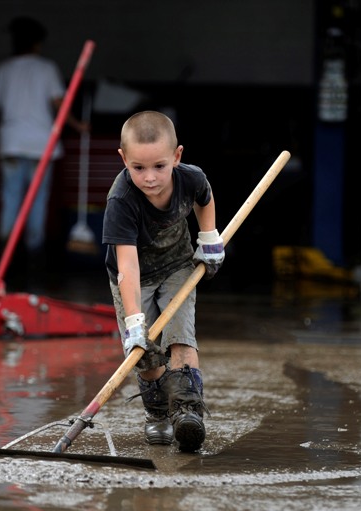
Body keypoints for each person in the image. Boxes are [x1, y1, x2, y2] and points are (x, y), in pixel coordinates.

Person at [102, 111, 225, 453]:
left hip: (177, 267)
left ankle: (187, 412)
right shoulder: (121, 200)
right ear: (123, 159)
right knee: (147, 356)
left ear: (177, 156)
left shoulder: (191, 178)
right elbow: (127, 263)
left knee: (181, 338)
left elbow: (205, 196)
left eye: (159, 166)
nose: (150, 178)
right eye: (138, 168)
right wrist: (134, 321)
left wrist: (209, 237)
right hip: (133, 278)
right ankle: (157, 413)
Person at [0, 16, 86, 266]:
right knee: (37, 202)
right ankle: (34, 256)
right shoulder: (47, 68)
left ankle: (4, 255)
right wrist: (78, 125)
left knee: (11, 199)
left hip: (11, 144)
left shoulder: (3, 69)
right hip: (41, 145)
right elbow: (59, 104)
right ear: (38, 43)